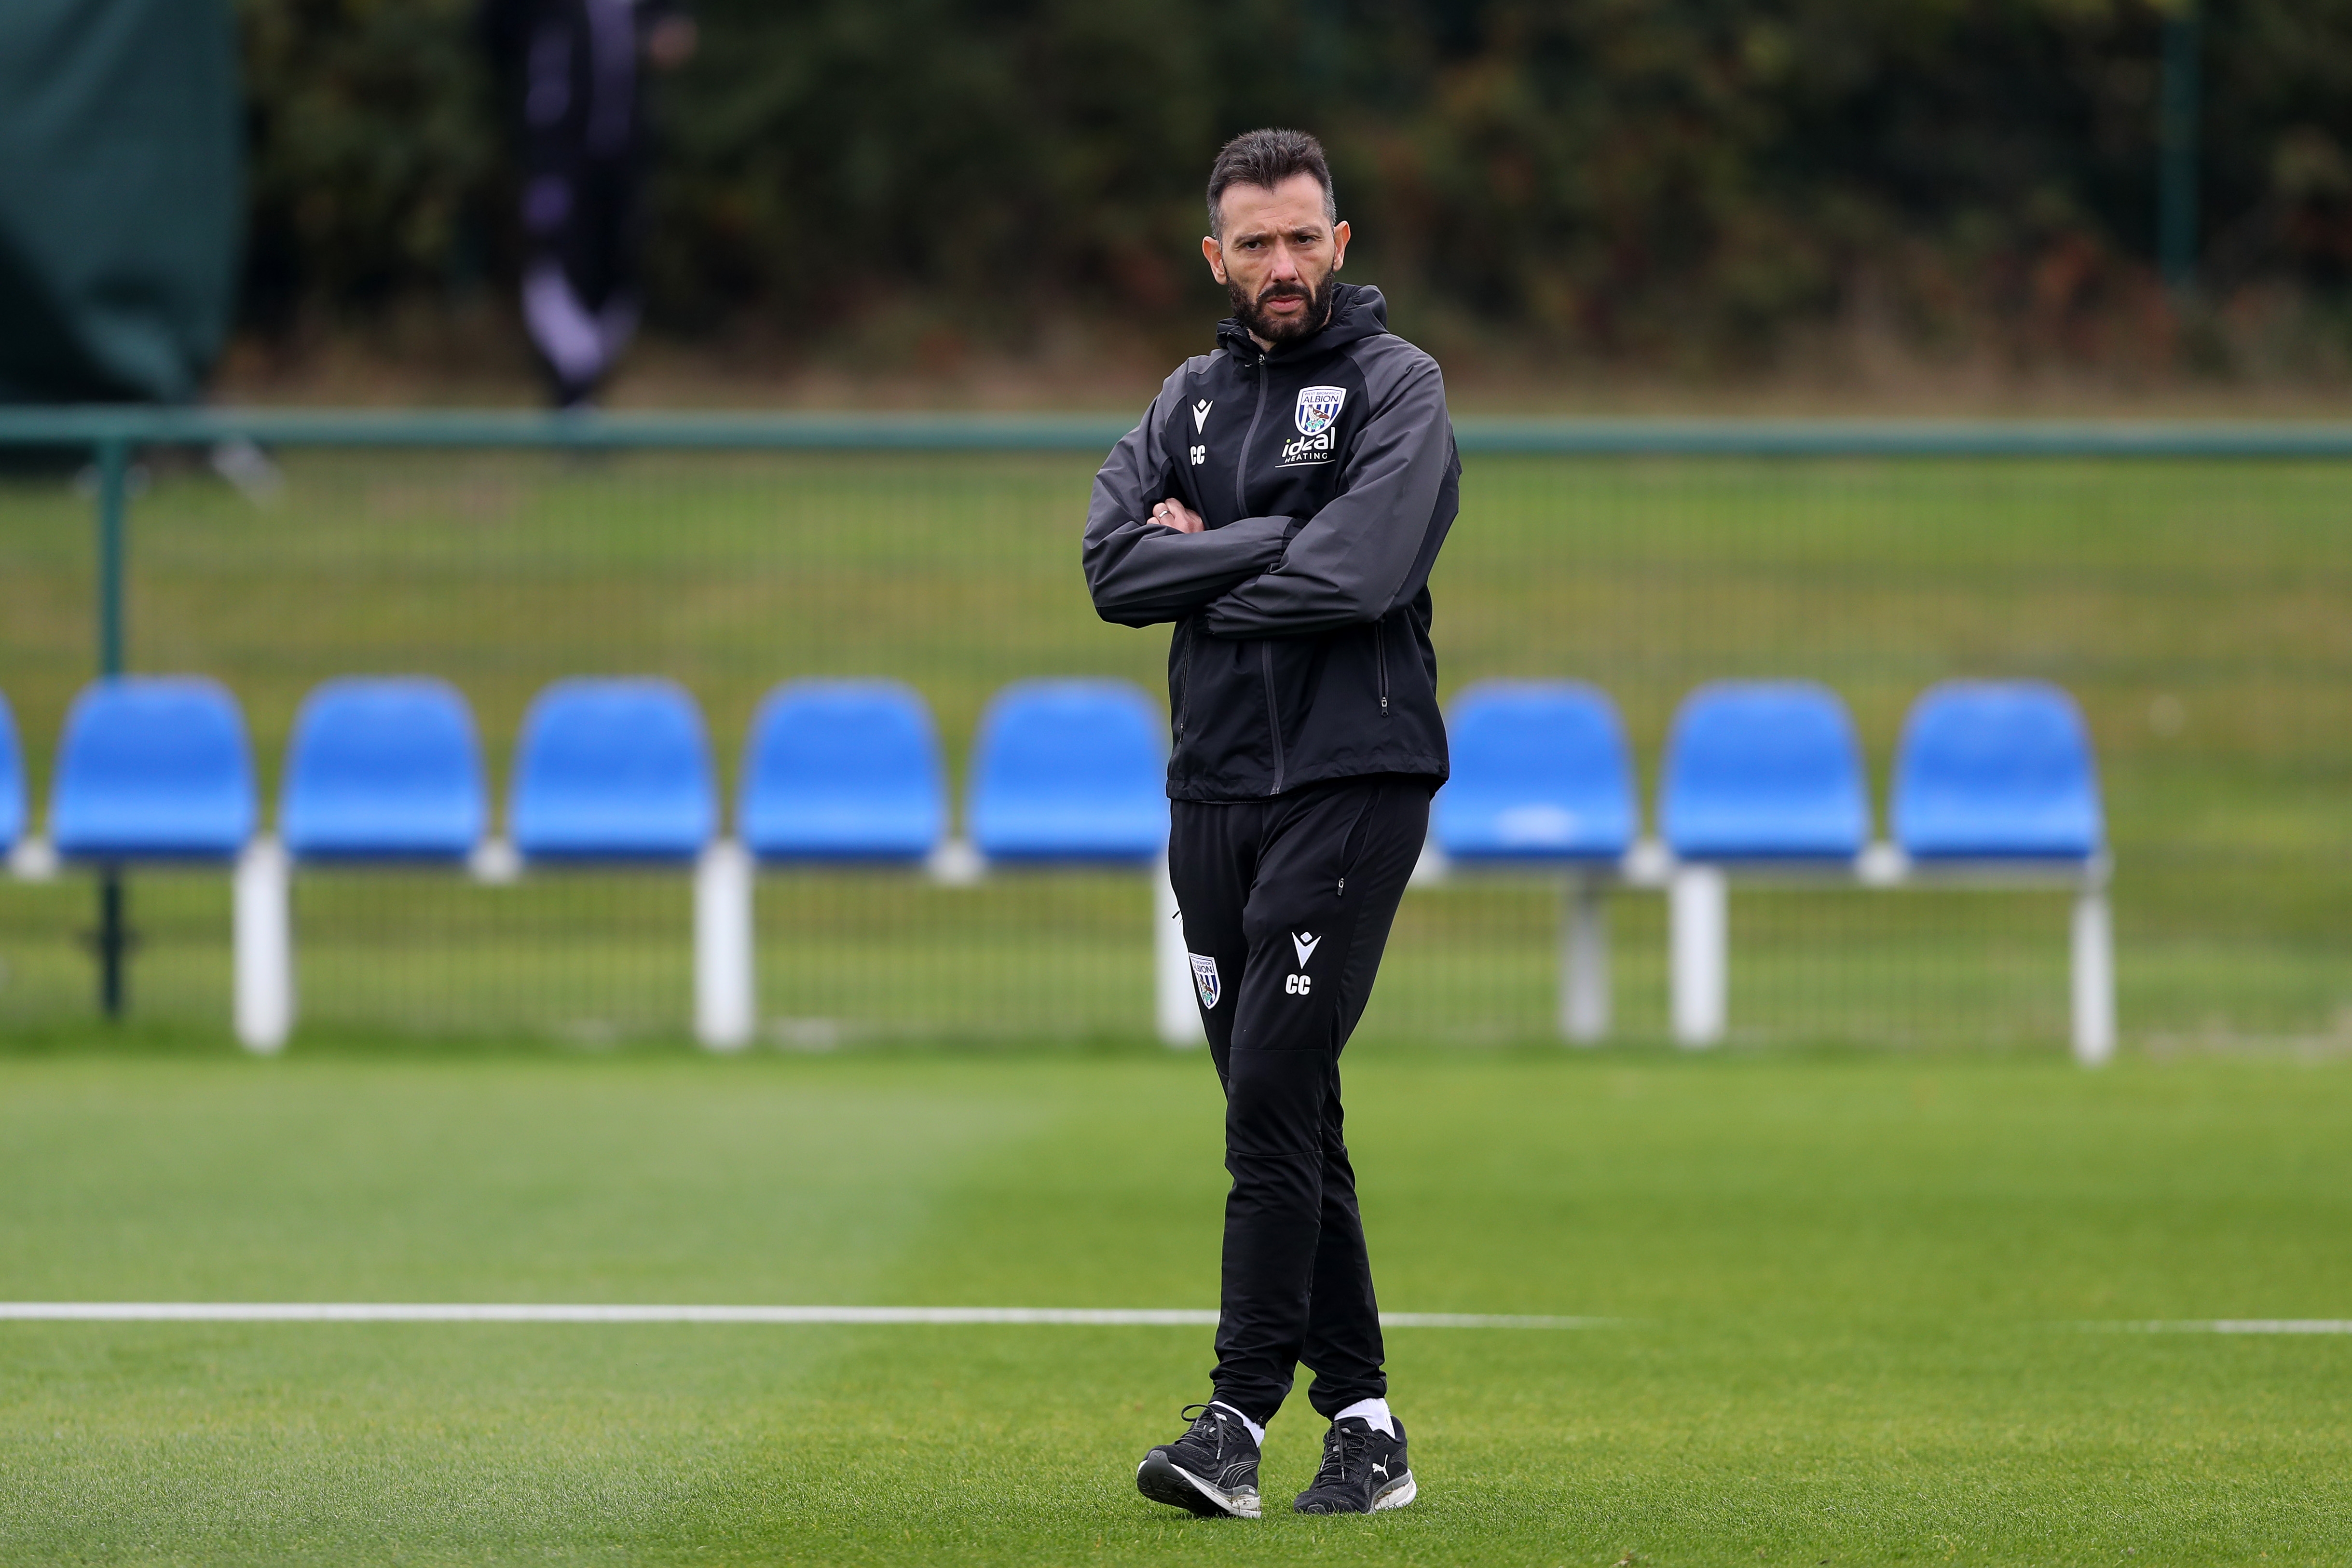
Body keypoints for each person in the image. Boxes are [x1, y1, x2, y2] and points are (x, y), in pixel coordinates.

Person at [1082, 127, 1459, 1519]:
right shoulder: (1182, 399)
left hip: (1354, 777)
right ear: (1217, 257)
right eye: (1256, 243)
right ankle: (1365, 1427)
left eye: (1304, 237)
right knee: (1282, 1098)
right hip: (1213, 788)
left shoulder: (1396, 385)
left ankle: (1233, 1419)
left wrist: (1204, 557)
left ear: (1340, 242)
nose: (1283, 264)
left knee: (1267, 1097)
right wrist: (1258, 543)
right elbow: (1110, 569)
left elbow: (1360, 573)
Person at [481, 0, 696, 408]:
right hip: (557, 160)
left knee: (620, 274)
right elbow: (493, 38)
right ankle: (571, 394)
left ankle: (586, 386)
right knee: (558, 264)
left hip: (627, 160)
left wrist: (667, 38)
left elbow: (674, 29)